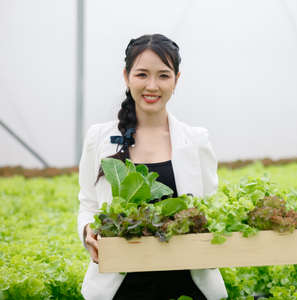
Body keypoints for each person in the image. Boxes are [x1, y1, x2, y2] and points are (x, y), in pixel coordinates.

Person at [77, 34, 228, 300]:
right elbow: (88, 204)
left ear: (176, 80)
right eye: (142, 74)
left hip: (188, 285)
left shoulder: (196, 140)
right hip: (120, 288)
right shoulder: (99, 138)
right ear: (126, 76)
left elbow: (209, 207)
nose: (152, 86)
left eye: (163, 76)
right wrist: (88, 231)